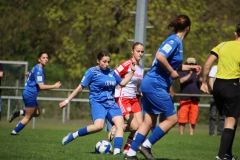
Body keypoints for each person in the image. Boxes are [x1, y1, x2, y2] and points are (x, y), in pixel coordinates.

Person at [124, 15, 201, 160]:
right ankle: (146, 145)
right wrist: (172, 72)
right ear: (188, 28)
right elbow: (160, 56)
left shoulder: (177, 42)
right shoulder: (174, 40)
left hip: (152, 83)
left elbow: (174, 65)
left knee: (149, 121)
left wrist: (190, 67)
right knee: (172, 119)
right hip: (155, 84)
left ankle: (130, 154)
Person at [59, 51, 136, 156]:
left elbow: (122, 83)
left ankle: (117, 153)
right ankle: (73, 135)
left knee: (120, 125)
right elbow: (80, 87)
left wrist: (131, 72)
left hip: (111, 104)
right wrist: (66, 101)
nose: (106, 64)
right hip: (98, 103)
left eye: (108, 62)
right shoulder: (91, 72)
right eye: (104, 61)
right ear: (98, 61)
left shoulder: (111, 72)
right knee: (98, 126)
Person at [200, 24, 240, 160]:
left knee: (232, 118)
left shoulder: (222, 45)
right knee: (230, 120)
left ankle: (228, 153)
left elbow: (207, 65)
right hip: (232, 85)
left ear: (235, 33)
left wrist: (204, 82)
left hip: (217, 86)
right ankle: (221, 156)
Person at [8, 52, 61, 135]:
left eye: (47, 58)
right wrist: (54, 86)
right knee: (28, 117)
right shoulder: (39, 69)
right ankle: (14, 132)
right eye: (43, 58)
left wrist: (28, 73)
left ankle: (19, 113)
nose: (46, 59)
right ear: (39, 59)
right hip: (30, 94)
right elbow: (41, 86)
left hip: (28, 92)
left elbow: (30, 73)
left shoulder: (37, 67)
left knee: (36, 113)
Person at [108, 42, 144, 154]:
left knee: (141, 127)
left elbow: (137, 83)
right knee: (134, 126)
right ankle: (119, 127)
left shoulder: (141, 68)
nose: (140, 53)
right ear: (132, 51)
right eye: (138, 51)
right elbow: (113, 74)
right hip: (123, 98)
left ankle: (127, 149)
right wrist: (116, 87)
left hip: (134, 99)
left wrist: (139, 90)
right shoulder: (126, 64)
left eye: (142, 51)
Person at [178, 57, 202, 135]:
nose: (191, 65)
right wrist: (190, 74)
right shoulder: (183, 72)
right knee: (182, 117)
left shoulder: (198, 72)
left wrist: (198, 75)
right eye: (189, 64)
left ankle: (191, 134)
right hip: (184, 98)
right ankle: (181, 134)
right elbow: (181, 80)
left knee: (193, 117)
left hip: (195, 98)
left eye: (193, 64)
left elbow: (202, 81)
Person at [208, 65, 225, 136]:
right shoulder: (215, 68)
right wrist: (215, 91)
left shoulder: (228, 68)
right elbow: (211, 81)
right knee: (212, 115)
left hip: (224, 95)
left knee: (222, 115)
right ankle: (211, 133)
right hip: (214, 94)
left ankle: (220, 133)